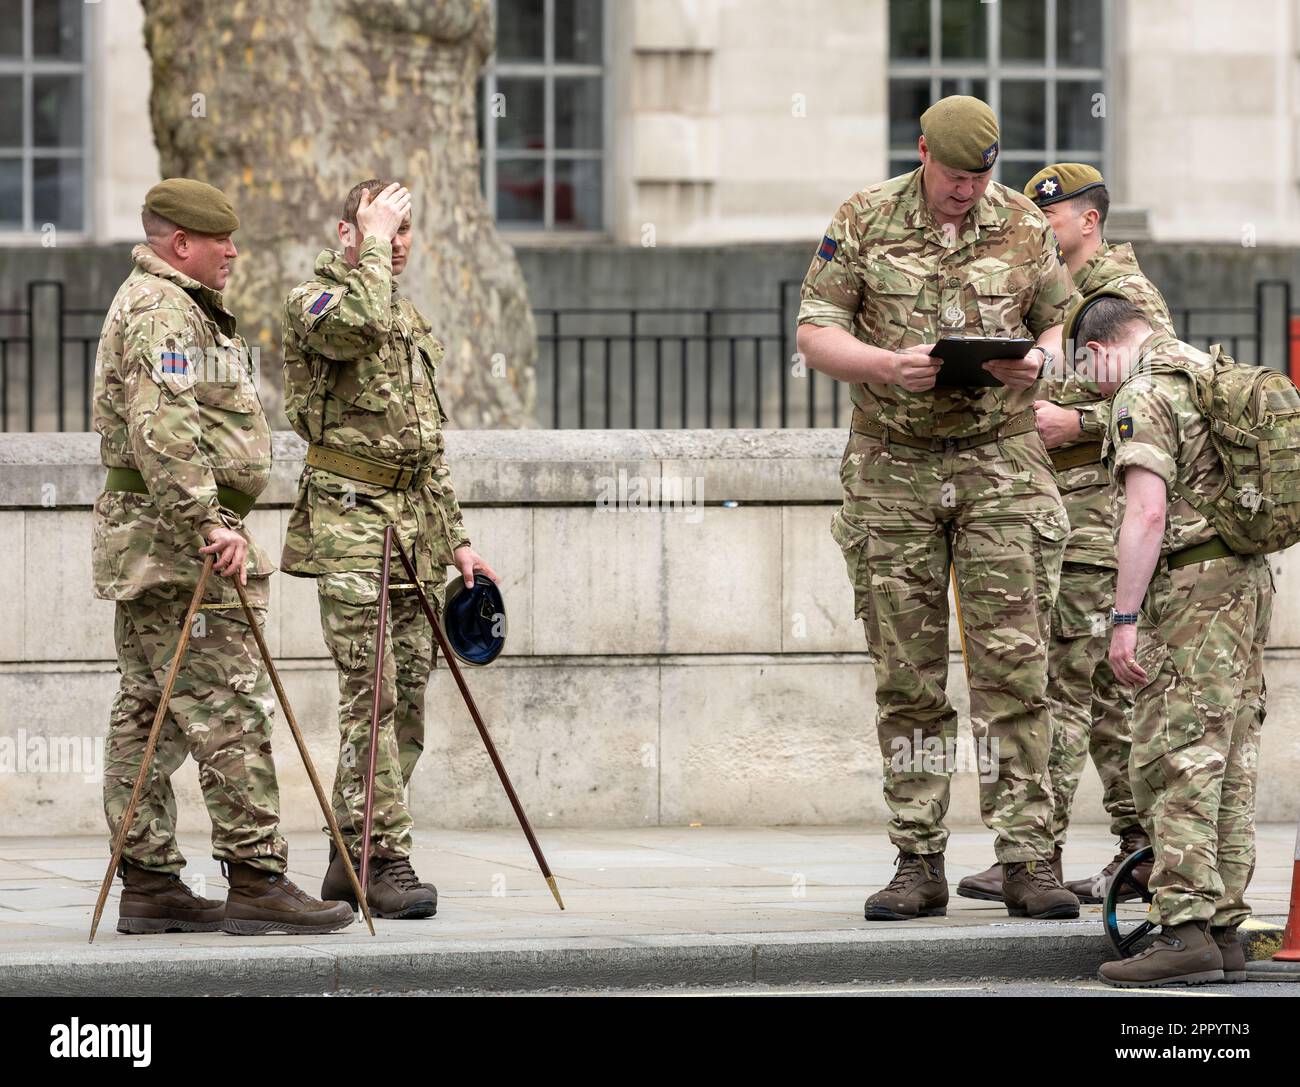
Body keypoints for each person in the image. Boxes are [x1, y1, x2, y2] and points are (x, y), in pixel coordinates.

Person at [797, 97, 1079, 921]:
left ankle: (1028, 856)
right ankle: (916, 859)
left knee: (1015, 668)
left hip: (1001, 464)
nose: (968, 192)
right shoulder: (863, 218)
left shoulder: (1024, 223)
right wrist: (886, 363)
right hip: (896, 466)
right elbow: (815, 333)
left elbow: (1060, 322)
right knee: (908, 675)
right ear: (923, 153)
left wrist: (1037, 364)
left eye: (981, 177)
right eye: (956, 177)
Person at [93, 178, 354, 936]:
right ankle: (258, 877)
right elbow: (163, 431)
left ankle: (149, 881)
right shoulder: (163, 310)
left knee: (150, 712)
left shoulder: (170, 303)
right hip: (180, 551)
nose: (234, 252)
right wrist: (210, 523)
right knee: (231, 706)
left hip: (155, 543)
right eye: (221, 241)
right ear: (182, 244)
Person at [280, 179, 497, 918]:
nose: (396, 242)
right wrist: (371, 244)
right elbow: (355, 326)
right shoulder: (316, 302)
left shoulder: (408, 318)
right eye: (381, 227)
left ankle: (354, 850)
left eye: (405, 230)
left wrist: (458, 540)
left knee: (405, 698)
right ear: (347, 232)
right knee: (368, 693)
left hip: (410, 528)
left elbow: (426, 450)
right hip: (348, 523)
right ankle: (384, 858)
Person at [958, 164, 1174, 904]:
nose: (1041, 226)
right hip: (1051, 505)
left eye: (1054, 216)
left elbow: (1161, 393)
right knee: (1077, 686)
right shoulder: (1050, 293)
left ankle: (1053, 852)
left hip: (1097, 509)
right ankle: (1115, 847)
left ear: (1089, 219)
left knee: (1071, 684)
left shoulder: (1122, 294)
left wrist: (1076, 422)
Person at [1068, 295, 1273, 987]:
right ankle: (1225, 929)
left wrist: (1123, 620)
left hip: (1190, 590)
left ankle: (1183, 928)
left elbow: (1147, 510)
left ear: (1098, 350)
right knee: (1231, 756)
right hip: (1246, 581)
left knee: (1176, 752)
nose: (1094, 387)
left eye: (1087, 371)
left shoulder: (1143, 392)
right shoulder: (1208, 372)